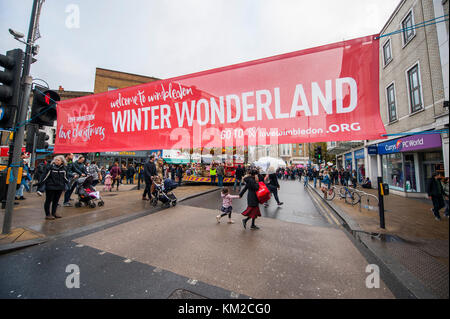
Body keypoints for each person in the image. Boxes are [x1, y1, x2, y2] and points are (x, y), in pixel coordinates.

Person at [39, 155, 68, 220]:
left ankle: (54, 213)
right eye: (56, 160)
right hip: (50, 187)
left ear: (62, 162)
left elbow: (65, 178)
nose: (56, 161)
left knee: (56, 201)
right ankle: (47, 214)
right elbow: (45, 176)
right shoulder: (50, 167)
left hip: (59, 187)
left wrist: (66, 185)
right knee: (48, 201)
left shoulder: (64, 169)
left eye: (58, 160)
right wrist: (41, 185)